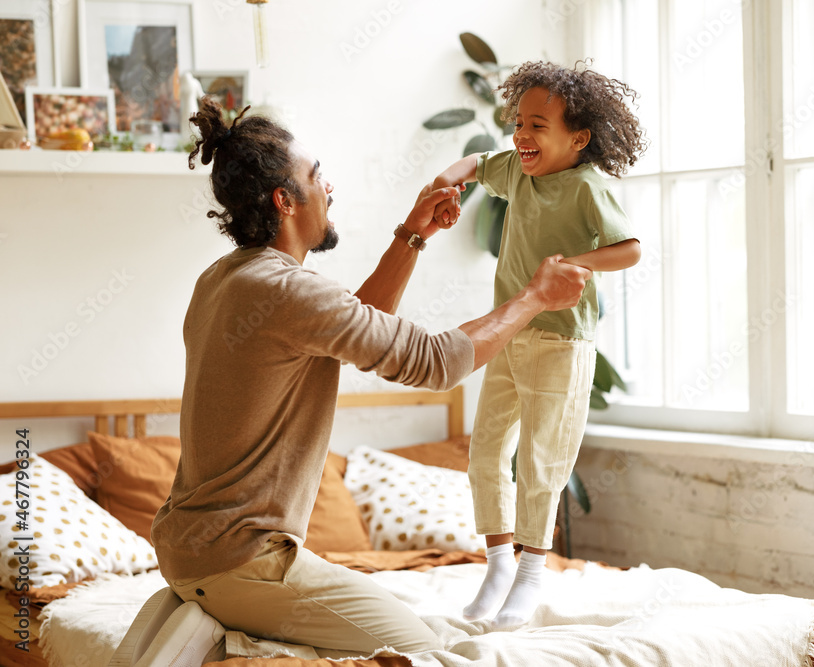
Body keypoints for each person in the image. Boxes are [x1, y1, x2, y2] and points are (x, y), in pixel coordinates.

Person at [118, 96, 592, 664]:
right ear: (284, 200)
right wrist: (534, 298)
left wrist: (413, 234)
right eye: (318, 177)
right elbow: (437, 363)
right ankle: (235, 633)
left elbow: (359, 320)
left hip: (189, 552)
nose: (330, 188)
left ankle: (225, 619)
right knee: (431, 654)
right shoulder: (288, 291)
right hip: (245, 562)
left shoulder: (226, 279)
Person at [430, 60, 646, 628]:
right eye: (518, 123)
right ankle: (499, 563)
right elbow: (479, 164)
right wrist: (447, 181)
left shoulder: (588, 187)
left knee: (541, 460)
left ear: (578, 137)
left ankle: (531, 573)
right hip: (508, 334)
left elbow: (629, 249)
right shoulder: (519, 172)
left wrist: (573, 264)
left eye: (537, 126)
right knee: (486, 452)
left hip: (560, 342)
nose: (521, 136)